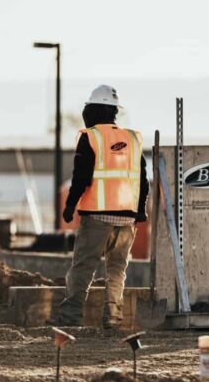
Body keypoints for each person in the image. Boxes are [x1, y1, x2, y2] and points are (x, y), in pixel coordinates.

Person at [57, 84, 149, 330]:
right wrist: (141, 211)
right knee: (117, 271)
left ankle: (71, 317)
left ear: (95, 109)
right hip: (127, 220)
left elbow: (81, 178)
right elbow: (142, 178)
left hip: (97, 218)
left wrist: (69, 206)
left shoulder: (91, 137)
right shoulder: (132, 138)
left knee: (83, 268)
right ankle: (113, 318)